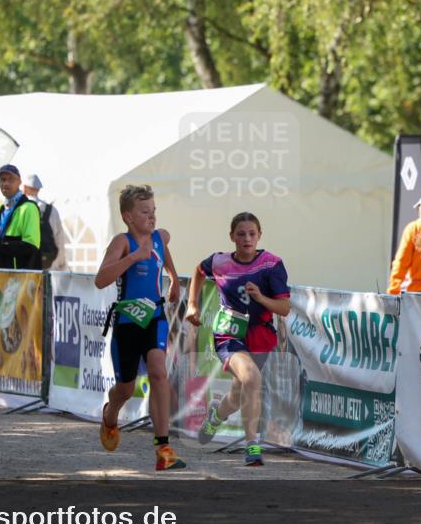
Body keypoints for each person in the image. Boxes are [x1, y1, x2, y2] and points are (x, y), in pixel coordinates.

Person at [185, 212, 291, 466]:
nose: (247, 239)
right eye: (241, 234)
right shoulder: (219, 262)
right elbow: (199, 271)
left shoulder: (271, 264)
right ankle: (252, 445)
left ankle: (216, 416)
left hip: (259, 333)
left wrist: (261, 299)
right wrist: (192, 304)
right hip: (229, 333)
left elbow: (284, 308)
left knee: (238, 392)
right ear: (231, 236)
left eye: (252, 234)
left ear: (260, 235)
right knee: (252, 377)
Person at [94, 184, 184, 471]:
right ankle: (110, 416)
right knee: (126, 389)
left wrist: (173, 277)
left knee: (159, 372)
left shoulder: (160, 236)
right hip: (126, 322)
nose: (152, 217)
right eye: (145, 212)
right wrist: (132, 258)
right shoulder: (122, 242)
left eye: (154, 211)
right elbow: (100, 279)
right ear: (128, 216)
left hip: (154, 317)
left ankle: (163, 449)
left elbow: (164, 246)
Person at [0, 164, 41, 270]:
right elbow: (2, 250)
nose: (5, 183)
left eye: (11, 180)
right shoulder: (3, 209)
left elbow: (31, 247)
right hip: (1, 278)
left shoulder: (29, 208)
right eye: (2, 180)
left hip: (19, 281)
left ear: (19, 182)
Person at [21, 172, 68, 271]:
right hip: (48, 264)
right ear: (38, 189)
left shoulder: (20, 209)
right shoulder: (52, 211)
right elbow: (59, 240)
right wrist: (61, 265)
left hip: (24, 267)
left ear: (24, 188)